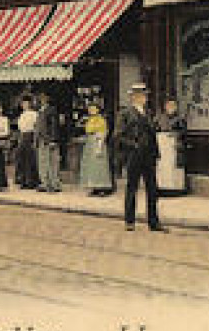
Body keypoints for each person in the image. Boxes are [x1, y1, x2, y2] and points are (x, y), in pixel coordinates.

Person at [115, 83, 165, 232]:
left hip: (148, 155)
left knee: (152, 189)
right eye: (141, 95)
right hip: (133, 155)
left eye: (145, 95)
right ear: (134, 97)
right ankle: (129, 221)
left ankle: (153, 222)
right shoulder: (125, 114)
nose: (144, 98)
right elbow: (118, 136)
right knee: (132, 187)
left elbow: (153, 134)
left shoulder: (148, 113)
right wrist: (133, 145)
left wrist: (156, 153)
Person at [77, 102, 113, 196]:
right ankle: (94, 187)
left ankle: (102, 187)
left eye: (93, 108)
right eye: (90, 109)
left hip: (97, 142)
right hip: (90, 142)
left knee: (99, 165)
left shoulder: (101, 119)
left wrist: (99, 146)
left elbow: (103, 132)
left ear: (98, 110)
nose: (91, 110)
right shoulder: (89, 119)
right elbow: (85, 128)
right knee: (91, 166)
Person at [156, 97, 188, 197]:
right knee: (163, 167)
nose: (171, 108)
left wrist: (176, 135)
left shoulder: (180, 119)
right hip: (163, 146)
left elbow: (183, 132)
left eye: (173, 106)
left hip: (174, 146)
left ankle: (175, 189)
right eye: (169, 105)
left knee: (174, 168)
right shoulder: (159, 118)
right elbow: (155, 129)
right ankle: (162, 188)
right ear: (165, 107)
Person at [34, 93, 63, 192]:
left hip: (49, 140)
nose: (42, 100)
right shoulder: (40, 111)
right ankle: (45, 183)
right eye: (40, 98)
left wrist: (53, 140)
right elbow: (38, 127)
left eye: (44, 98)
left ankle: (55, 184)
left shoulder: (51, 110)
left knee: (52, 162)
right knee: (43, 162)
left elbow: (54, 126)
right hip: (41, 140)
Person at [14, 95, 40, 189]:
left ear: (30, 104)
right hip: (22, 136)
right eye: (23, 103)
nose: (24, 105)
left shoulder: (34, 114)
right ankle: (23, 181)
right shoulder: (22, 115)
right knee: (22, 158)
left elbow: (36, 127)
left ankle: (31, 182)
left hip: (30, 135)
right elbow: (20, 127)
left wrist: (34, 139)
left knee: (30, 159)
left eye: (26, 103)